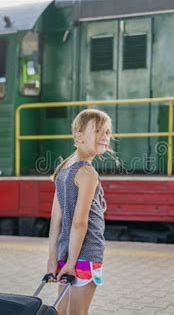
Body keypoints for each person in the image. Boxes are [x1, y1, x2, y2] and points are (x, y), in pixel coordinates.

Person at [47, 109, 114, 315]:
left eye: (108, 132)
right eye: (99, 131)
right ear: (79, 136)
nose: (105, 137)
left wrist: (54, 258)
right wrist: (72, 264)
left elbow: (55, 220)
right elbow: (79, 223)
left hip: (66, 253)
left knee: (62, 312)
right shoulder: (87, 172)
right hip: (84, 256)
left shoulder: (64, 168)